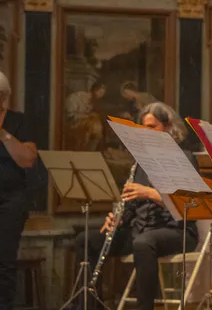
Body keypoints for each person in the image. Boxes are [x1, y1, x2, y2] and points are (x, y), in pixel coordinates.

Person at [74, 102, 199, 310]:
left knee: (143, 243)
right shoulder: (141, 162)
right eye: (144, 128)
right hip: (141, 230)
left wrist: (151, 193)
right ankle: (89, 305)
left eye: (153, 127)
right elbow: (131, 206)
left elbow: (190, 204)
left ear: (169, 129)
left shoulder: (185, 159)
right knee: (86, 240)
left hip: (177, 231)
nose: (147, 133)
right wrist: (118, 218)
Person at [0, 71, 37, 308]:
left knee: (3, 260)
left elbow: (28, 159)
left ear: (3, 96)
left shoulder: (18, 121)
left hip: (11, 199)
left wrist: (3, 134)